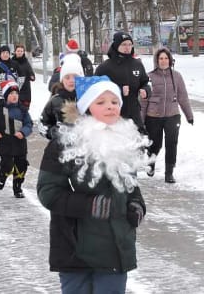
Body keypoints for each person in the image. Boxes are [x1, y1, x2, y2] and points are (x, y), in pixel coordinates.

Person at [37, 75, 150, 294]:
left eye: (114, 102)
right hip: (76, 248)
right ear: (87, 107)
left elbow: (130, 185)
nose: (110, 107)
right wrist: (92, 206)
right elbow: (48, 192)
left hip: (116, 247)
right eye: (101, 102)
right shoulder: (64, 143)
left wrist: (137, 204)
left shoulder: (124, 140)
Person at [140, 47, 194, 183]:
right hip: (153, 116)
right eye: (161, 59)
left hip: (172, 115)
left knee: (172, 144)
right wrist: (141, 120)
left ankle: (169, 173)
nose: (163, 61)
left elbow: (183, 97)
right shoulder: (149, 77)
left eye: (166, 58)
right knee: (155, 144)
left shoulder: (176, 76)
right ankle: (150, 163)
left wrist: (189, 115)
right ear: (156, 61)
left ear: (170, 60)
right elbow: (143, 101)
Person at [95, 32, 151, 132]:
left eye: (130, 44)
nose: (127, 47)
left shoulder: (137, 64)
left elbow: (145, 82)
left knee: (139, 143)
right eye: (124, 44)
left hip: (134, 114)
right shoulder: (105, 67)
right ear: (116, 45)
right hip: (113, 115)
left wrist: (145, 90)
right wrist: (119, 90)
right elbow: (96, 91)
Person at [0, 79, 33, 198]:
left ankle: (17, 188)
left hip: (19, 142)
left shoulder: (23, 109)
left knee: (21, 165)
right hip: (5, 142)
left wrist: (23, 132)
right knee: (7, 164)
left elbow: (29, 124)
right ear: (6, 95)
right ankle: (2, 176)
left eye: (16, 94)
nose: (14, 96)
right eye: (11, 94)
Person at [38, 53, 84, 139]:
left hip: (82, 148)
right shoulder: (55, 100)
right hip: (58, 149)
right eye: (67, 77)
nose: (72, 80)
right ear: (62, 80)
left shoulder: (87, 99)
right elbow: (43, 123)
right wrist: (53, 133)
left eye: (75, 76)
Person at [12, 44, 35, 109]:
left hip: (25, 90)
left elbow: (31, 74)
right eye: (18, 51)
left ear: (23, 52)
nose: (19, 52)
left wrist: (31, 76)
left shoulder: (26, 62)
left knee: (24, 111)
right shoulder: (11, 62)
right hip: (14, 89)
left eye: (21, 51)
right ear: (15, 52)